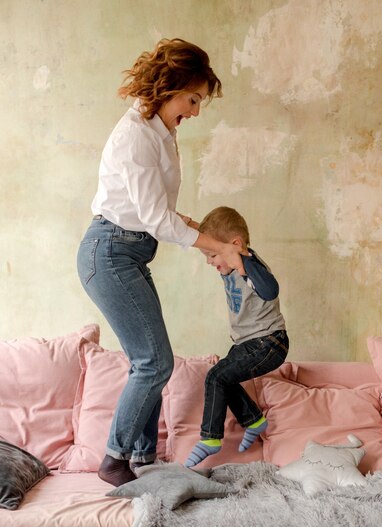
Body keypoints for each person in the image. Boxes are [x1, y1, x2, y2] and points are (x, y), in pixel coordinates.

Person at [77, 39, 245, 487]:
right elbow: (156, 219)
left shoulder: (159, 131)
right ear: (170, 88)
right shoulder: (136, 135)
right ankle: (114, 460)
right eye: (192, 99)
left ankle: (143, 460)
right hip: (109, 253)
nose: (195, 111)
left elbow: (162, 214)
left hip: (128, 252)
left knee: (146, 362)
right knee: (156, 363)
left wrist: (214, 244)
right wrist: (217, 247)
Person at [185, 206, 289, 468]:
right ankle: (254, 420)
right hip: (248, 343)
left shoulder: (249, 264)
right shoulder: (230, 260)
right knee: (223, 379)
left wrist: (245, 268)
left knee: (215, 377)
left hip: (268, 342)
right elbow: (211, 236)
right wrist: (186, 223)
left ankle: (210, 438)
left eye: (212, 255)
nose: (209, 261)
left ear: (236, 245)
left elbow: (270, 289)